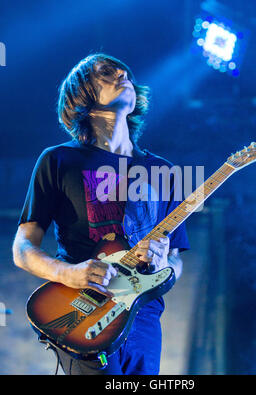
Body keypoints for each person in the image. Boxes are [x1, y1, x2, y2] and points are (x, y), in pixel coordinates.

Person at [12, 53, 190, 375]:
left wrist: (166, 266)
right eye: (107, 72)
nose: (122, 71)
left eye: (124, 71)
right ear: (82, 96)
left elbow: (176, 259)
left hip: (144, 320)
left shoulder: (162, 170)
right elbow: (23, 249)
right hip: (83, 314)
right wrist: (68, 274)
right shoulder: (58, 161)